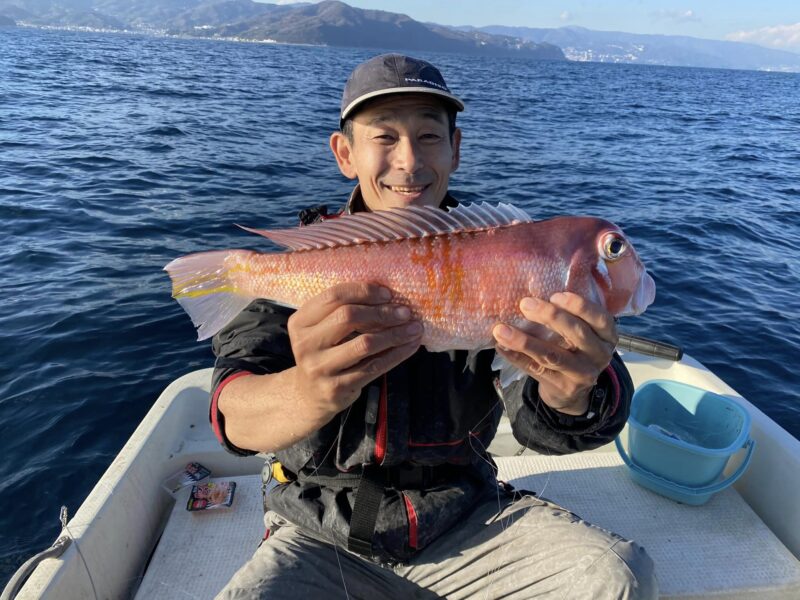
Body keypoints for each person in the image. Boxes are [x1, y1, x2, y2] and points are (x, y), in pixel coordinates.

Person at [211, 54, 657, 599]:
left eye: (428, 136)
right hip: (316, 532)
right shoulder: (306, 270)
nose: (408, 161)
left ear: (456, 149)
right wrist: (309, 390)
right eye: (384, 137)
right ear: (344, 153)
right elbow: (232, 416)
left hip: (467, 523)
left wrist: (572, 392)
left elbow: (539, 428)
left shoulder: (509, 254)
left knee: (615, 576)